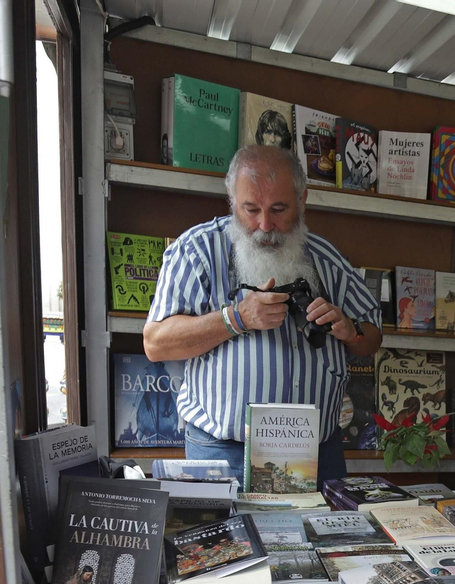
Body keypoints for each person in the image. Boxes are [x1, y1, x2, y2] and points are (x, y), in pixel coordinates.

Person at [144, 145, 383, 481]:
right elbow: (156, 343)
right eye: (251, 209)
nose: (265, 225)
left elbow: (371, 337)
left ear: (302, 199)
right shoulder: (196, 251)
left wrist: (349, 331)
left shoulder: (325, 257)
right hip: (225, 452)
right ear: (231, 197)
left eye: (279, 209)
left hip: (317, 453)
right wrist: (235, 318)